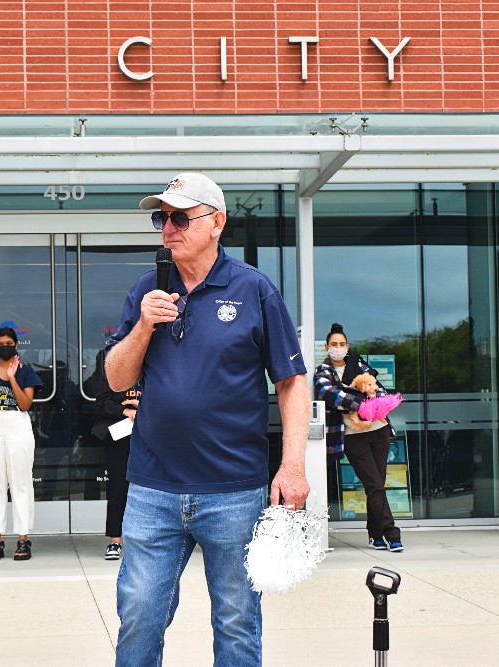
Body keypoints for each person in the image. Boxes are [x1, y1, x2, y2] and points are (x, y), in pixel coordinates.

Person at [106, 172, 309, 665]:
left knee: (237, 621)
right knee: (139, 614)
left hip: (233, 491)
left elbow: (292, 381)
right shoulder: (147, 289)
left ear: (217, 222)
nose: (167, 228)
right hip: (153, 488)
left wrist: (292, 466)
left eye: (180, 218)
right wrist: (143, 326)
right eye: (161, 218)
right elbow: (115, 378)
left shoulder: (254, 289)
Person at [314, 323, 403, 552]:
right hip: (353, 436)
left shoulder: (358, 364)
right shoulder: (322, 371)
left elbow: (379, 390)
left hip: (379, 430)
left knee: (377, 485)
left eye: (342, 344)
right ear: (326, 347)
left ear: (347, 346)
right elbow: (328, 394)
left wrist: (368, 399)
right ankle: (392, 534)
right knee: (374, 484)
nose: (338, 348)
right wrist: (361, 403)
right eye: (334, 344)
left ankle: (375, 535)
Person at [0, 325, 43, 561]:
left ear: (16, 345)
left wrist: (12, 378)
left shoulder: (26, 371)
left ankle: (23, 539)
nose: (5, 347)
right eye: (0, 345)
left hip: (17, 423)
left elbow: (25, 404)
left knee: (20, 482)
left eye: (9, 344)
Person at [85, 350, 140, 561]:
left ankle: (145, 540)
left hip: (150, 438)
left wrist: (141, 406)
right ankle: (115, 541)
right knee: (118, 488)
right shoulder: (112, 375)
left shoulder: (153, 372)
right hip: (119, 438)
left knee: (150, 490)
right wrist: (124, 410)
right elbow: (101, 403)